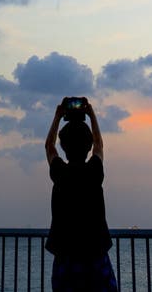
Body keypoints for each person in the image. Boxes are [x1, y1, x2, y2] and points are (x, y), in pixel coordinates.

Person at [45, 97, 118, 292]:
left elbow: (49, 147)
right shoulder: (94, 172)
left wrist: (57, 116)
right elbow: (100, 145)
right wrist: (91, 114)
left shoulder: (60, 173)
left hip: (66, 257)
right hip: (95, 255)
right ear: (88, 147)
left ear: (64, 147)